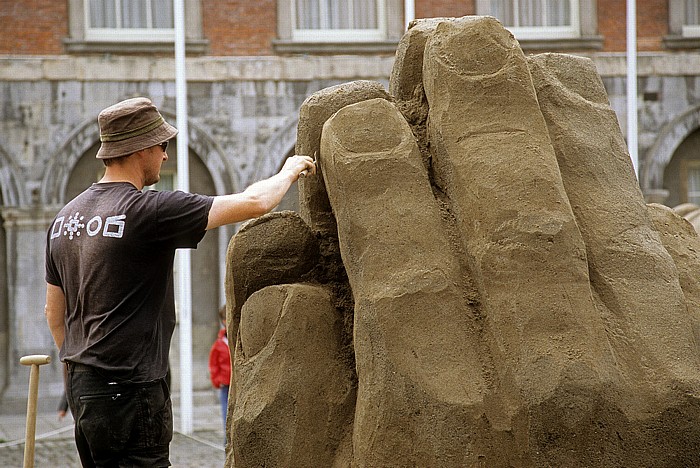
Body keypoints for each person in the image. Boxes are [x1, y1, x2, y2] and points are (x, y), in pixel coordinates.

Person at [44, 96, 315, 467]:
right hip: (131, 386)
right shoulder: (147, 210)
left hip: (83, 387)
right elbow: (255, 202)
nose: (166, 156)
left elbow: (53, 315)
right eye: (163, 145)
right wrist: (290, 170)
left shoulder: (65, 219)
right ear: (141, 150)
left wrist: (84, 367)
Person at [208, 306, 231, 429]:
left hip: (237, 383)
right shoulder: (219, 344)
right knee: (226, 416)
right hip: (225, 385)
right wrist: (218, 381)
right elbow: (214, 364)